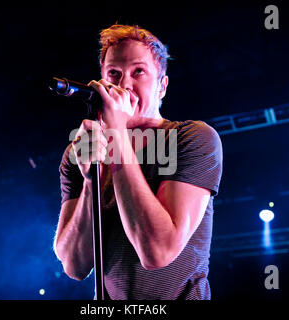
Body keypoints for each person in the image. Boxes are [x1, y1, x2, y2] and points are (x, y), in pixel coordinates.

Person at [54, 24, 223, 300]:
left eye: (138, 72)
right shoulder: (82, 150)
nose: (124, 85)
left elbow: (157, 252)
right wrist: (89, 180)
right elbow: (74, 264)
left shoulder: (190, 137)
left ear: (162, 86)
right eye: (114, 74)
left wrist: (117, 134)